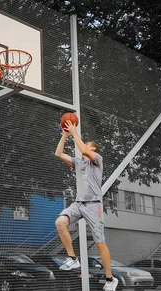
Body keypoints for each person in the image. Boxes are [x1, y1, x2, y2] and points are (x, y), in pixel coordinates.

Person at [54, 120, 118, 291]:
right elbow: (58, 153)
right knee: (60, 222)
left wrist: (74, 131)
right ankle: (72, 259)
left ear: (93, 149)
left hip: (93, 205)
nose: (83, 148)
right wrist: (65, 134)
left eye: (87, 146)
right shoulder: (79, 163)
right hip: (78, 203)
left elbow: (83, 148)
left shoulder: (97, 159)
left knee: (99, 243)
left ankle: (110, 279)